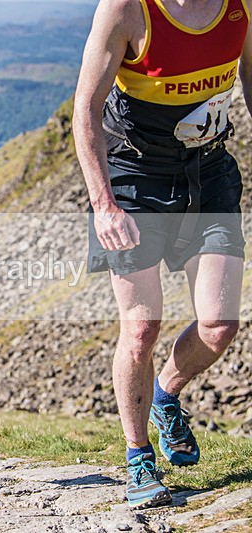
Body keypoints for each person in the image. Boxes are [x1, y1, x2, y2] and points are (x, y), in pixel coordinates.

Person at [73, 0, 252, 509]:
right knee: (142, 327)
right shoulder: (128, 9)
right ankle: (138, 458)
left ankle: (165, 394)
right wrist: (103, 205)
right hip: (134, 178)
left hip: (209, 171)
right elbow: (85, 108)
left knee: (219, 324)